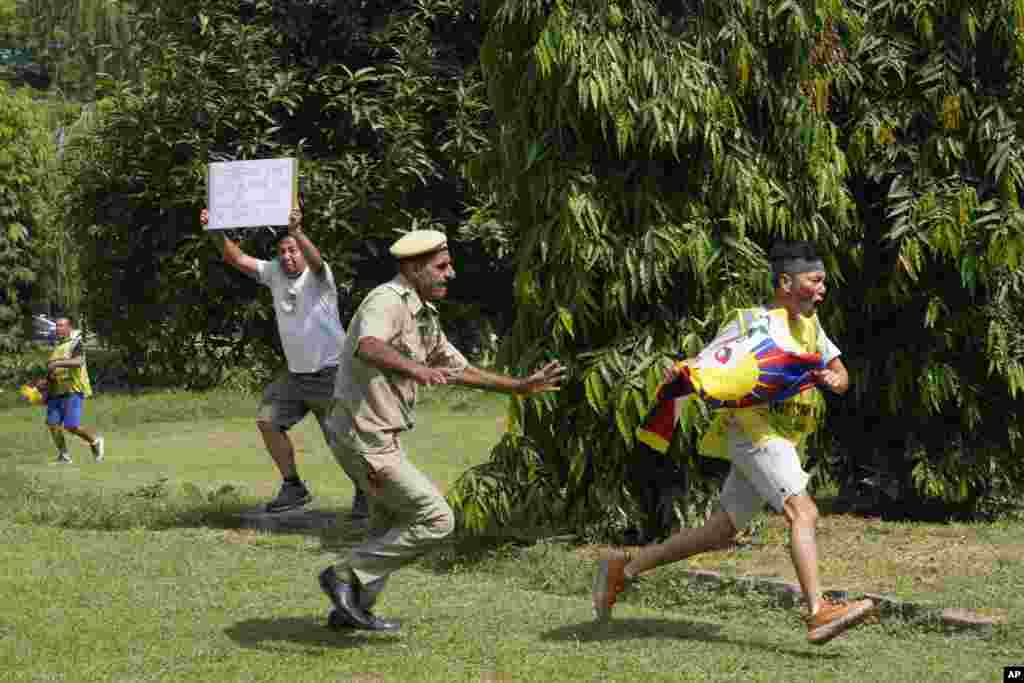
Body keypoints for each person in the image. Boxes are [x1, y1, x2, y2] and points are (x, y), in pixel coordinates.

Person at [593, 240, 876, 645]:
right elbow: (712, 361)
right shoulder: (753, 324)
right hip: (754, 431)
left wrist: (836, 380)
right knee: (804, 512)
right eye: (815, 280)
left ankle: (626, 568)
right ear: (785, 282)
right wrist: (685, 373)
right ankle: (818, 612)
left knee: (719, 533)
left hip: (781, 436)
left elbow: (839, 369)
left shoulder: (812, 326)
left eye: (823, 282)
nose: (822, 288)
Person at [318, 229, 566, 632]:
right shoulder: (387, 300)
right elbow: (368, 345)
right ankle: (343, 575)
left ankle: (350, 611)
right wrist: (415, 368)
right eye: (441, 267)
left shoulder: (424, 315)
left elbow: (459, 369)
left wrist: (519, 386)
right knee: (436, 519)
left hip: (381, 436)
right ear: (414, 269)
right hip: (363, 436)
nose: (450, 274)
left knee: (387, 526)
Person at [202, 202, 367, 518]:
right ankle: (293, 487)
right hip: (296, 376)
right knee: (267, 420)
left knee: (342, 441)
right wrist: (215, 230)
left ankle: (366, 492)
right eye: (284, 251)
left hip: (331, 372)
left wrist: (296, 231)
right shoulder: (274, 273)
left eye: (294, 250)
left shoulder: (320, 277)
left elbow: (317, 260)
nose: (289, 256)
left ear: (303, 252)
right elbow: (235, 258)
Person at [46, 316, 104, 464]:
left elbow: (78, 362)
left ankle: (95, 441)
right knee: (53, 424)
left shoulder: (76, 343)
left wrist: (57, 363)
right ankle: (64, 456)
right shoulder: (57, 346)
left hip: (73, 389)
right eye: (56, 326)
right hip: (56, 391)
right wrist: (45, 382)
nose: (57, 329)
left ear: (69, 328)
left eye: (61, 326)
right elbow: (53, 370)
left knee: (71, 426)